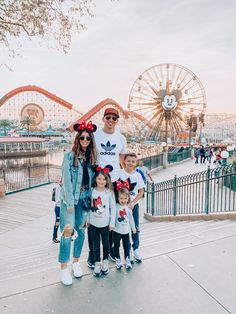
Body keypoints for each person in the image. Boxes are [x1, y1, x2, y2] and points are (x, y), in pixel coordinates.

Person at [87, 107, 127, 267]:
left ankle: (110, 250)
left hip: (114, 181)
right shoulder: (95, 135)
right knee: (95, 215)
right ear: (103, 119)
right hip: (98, 180)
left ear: (117, 121)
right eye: (108, 117)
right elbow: (86, 152)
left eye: (114, 118)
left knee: (112, 215)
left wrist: (127, 176)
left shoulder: (121, 138)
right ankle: (93, 254)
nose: (111, 121)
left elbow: (122, 159)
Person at [59, 120, 97, 286]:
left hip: (84, 200)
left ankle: (76, 262)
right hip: (70, 200)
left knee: (81, 232)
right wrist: (69, 204)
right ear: (77, 138)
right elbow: (66, 182)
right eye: (82, 137)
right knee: (68, 232)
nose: (85, 141)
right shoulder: (69, 157)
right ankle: (63, 268)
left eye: (88, 138)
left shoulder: (92, 158)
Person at [87, 166, 116, 276]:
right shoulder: (92, 191)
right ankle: (97, 262)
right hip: (93, 224)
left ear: (107, 180)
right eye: (99, 179)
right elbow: (89, 206)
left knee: (106, 243)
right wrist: (88, 220)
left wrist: (112, 222)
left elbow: (113, 208)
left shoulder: (109, 192)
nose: (101, 181)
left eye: (104, 179)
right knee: (95, 244)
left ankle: (105, 261)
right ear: (95, 179)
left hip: (105, 224)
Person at [119, 153, 145, 263]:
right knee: (123, 228)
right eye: (128, 161)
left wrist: (133, 202)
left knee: (135, 227)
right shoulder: (120, 174)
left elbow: (141, 191)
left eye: (133, 161)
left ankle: (136, 248)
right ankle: (127, 249)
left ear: (136, 163)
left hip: (133, 206)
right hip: (122, 206)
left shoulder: (138, 175)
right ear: (124, 161)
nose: (130, 163)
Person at [113, 185, 136, 270]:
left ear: (128, 198)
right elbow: (112, 217)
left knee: (126, 246)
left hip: (126, 232)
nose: (123, 200)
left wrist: (133, 228)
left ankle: (127, 260)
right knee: (116, 246)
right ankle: (118, 260)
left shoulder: (128, 207)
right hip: (116, 231)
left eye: (125, 198)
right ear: (118, 198)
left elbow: (131, 218)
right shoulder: (115, 206)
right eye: (121, 198)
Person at [52, 177, 62, 243]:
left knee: (65, 222)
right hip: (58, 208)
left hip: (62, 208)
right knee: (57, 222)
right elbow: (57, 199)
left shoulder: (64, 188)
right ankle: (54, 237)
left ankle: (65, 236)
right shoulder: (58, 188)